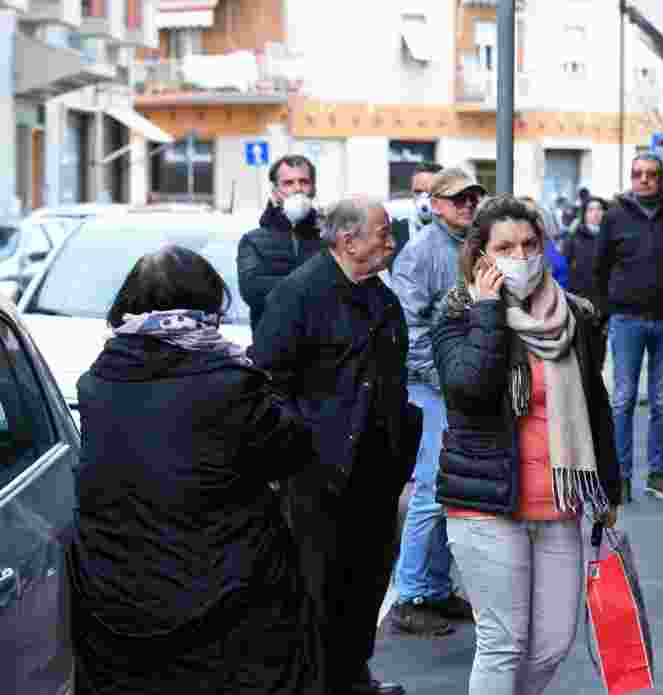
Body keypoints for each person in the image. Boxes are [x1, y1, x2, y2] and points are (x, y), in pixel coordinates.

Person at [69, 247, 320, 694]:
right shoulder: (229, 381)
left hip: (117, 596)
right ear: (205, 304)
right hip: (226, 593)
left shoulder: (97, 382)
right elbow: (290, 448)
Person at [433, 195, 621, 695]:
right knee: (503, 644)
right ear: (481, 256)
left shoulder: (575, 316)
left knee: (552, 644)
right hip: (487, 505)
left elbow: (595, 405)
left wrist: (610, 491)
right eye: (506, 247)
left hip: (559, 504)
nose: (521, 256)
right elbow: (468, 389)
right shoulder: (457, 314)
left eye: (530, 244)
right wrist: (488, 312)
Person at [253, 197, 423, 695]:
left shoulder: (381, 298)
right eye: (383, 233)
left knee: (366, 584)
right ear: (349, 241)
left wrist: (399, 445)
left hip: (375, 470)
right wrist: (301, 449)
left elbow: (393, 379)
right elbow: (268, 381)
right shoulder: (299, 295)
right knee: (318, 593)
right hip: (318, 476)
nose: (392, 243)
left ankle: (353, 676)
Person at [388, 169, 485, 636]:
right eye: (458, 198)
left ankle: (435, 587)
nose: (467, 204)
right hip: (432, 386)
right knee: (430, 490)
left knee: (448, 491)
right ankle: (410, 592)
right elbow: (410, 330)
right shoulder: (421, 252)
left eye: (472, 196)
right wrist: (449, 378)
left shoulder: (472, 246)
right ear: (436, 204)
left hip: (459, 385)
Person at [595, 152, 663, 503]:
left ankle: (658, 475)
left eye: (651, 174)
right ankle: (621, 477)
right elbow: (601, 265)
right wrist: (604, 309)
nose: (644, 180)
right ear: (630, 177)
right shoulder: (614, 217)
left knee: (661, 400)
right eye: (638, 174)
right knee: (623, 399)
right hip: (626, 319)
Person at [237, 154, 323, 330]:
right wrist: (315, 285)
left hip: (326, 350)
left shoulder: (329, 238)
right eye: (288, 183)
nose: (297, 188)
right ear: (275, 191)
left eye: (304, 182)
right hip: (273, 349)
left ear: (313, 188)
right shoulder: (253, 241)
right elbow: (253, 292)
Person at [562, 196, 609, 365]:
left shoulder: (611, 238)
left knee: (598, 356)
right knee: (579, 355)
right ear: (584, 214)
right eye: (591, 209)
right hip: (578, 304)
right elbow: (565, 270)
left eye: (599, 209)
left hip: (603, 306)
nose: (595, 213)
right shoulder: (574, 238)